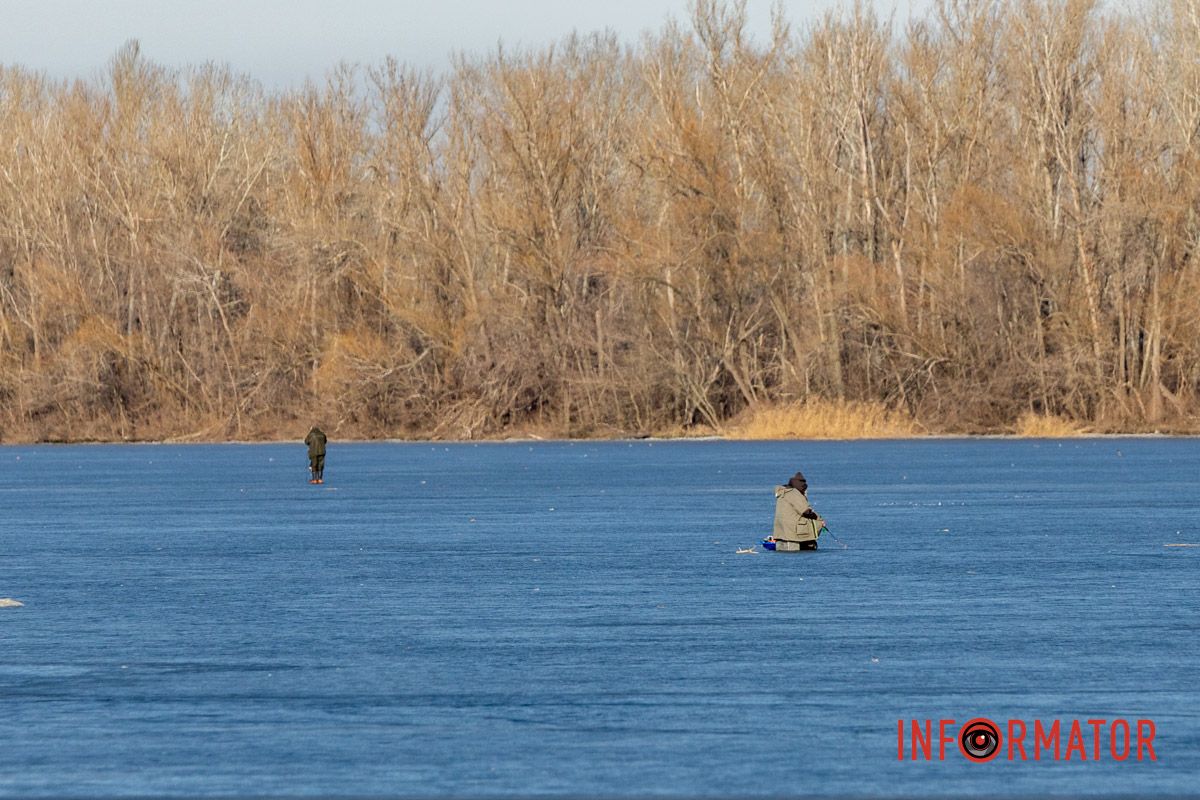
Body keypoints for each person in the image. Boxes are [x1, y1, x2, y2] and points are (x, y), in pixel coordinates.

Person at [768, 470, 824, 551]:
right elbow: (806, 511)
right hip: (794, 535)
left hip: (781, 533)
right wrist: (819, 520)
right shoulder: (794, 493)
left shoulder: (783, 492)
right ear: (802, 486)